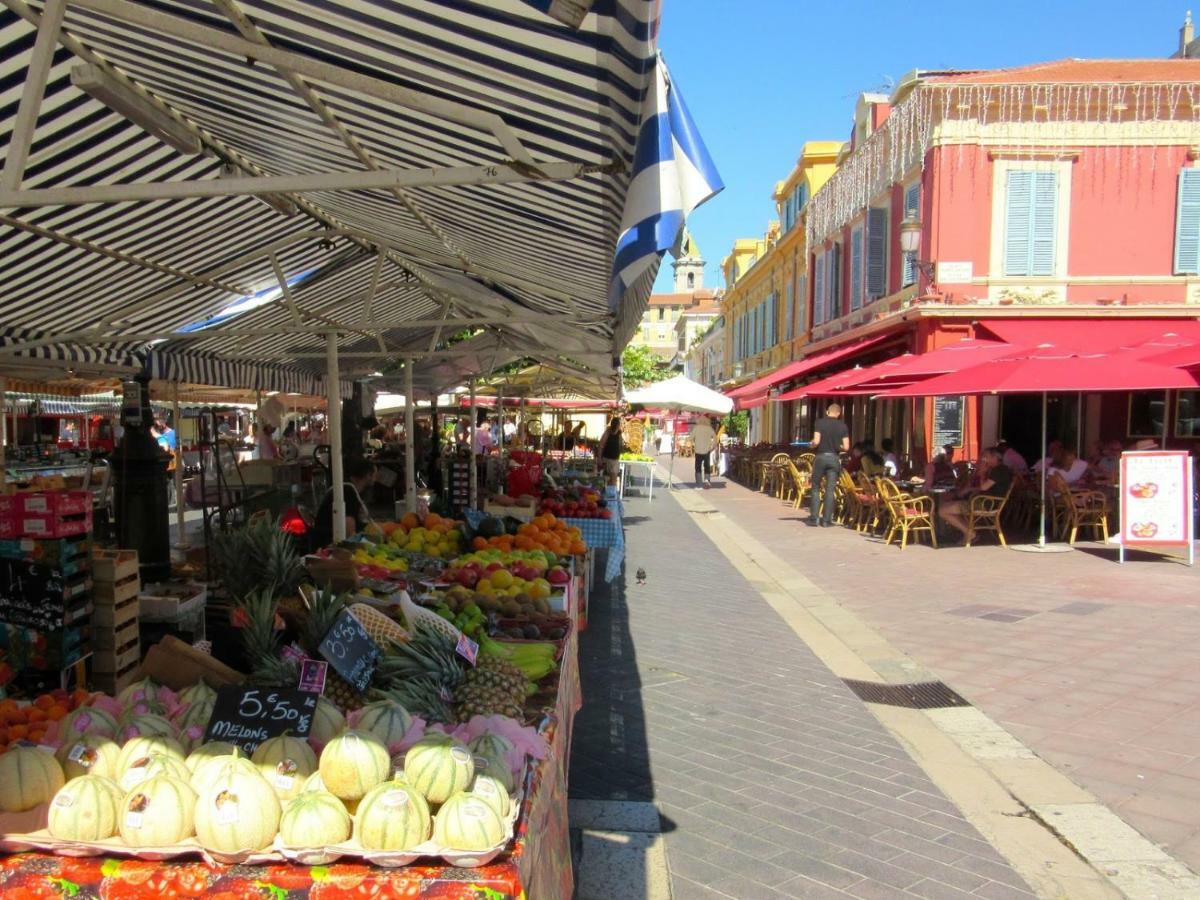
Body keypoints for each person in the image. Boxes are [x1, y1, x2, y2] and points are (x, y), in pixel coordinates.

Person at [938, 446, 1012, 541]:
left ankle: (971, 534)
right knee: (945, 505)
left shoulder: (999, 470)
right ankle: (969, 532)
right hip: (983, 501)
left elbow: (983, 487)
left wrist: (982, 474)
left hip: (984, 504)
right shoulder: (998, 469)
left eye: (986, 456)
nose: (984, 459)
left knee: (942, 510)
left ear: (995, 457)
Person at [312, 457, 376, 547]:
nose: (375, 479)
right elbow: (349, 532)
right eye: (374, 475)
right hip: (329, 543)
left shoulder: (349, 489)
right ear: (368, 475)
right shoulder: (348, 492)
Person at [809, 403, 850, 527]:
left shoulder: (819, 423)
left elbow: (816, 441)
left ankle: (814, 518)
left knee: (815, 487)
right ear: (839, 413)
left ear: (827, 412)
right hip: (834, 458)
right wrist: (838, 447)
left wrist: (811, 444)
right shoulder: (843, 426)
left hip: (821, 457)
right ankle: (826, 520)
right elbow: (847, 447)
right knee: (830, 490)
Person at [691, 416, 717, 488]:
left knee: (698, 467)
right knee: (707, 466)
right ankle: (707, 480)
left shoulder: (696, 428)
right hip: (707, 450)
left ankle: (699, 483)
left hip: (698, 450)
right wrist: (713, 446)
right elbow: (715, 438)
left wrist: (694, 444)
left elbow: (690, 438)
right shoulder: (709, 428)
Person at [599, 416, 623, 485]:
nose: (619, 426)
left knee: (613, 480)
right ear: (615, 425)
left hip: (615, 460)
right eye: (618, 424)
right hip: (606, 459)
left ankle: (611, 493)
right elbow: (601, 445)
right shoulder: (607, 432)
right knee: (606, 479)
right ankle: (606, 492)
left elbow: (620, 445)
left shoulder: (619, 433)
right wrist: (599, 459)